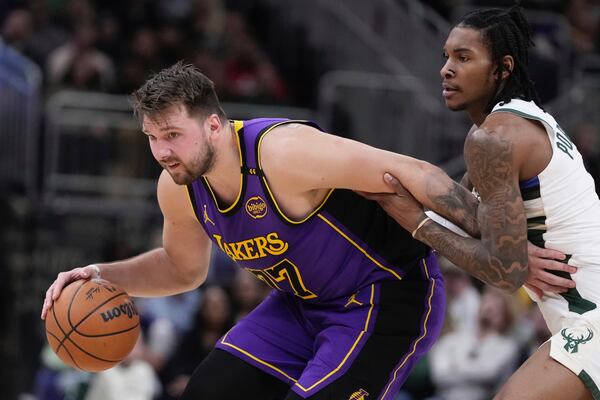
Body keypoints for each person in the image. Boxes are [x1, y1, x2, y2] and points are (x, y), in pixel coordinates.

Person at [41, 62, 563, 399]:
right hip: (302, 308)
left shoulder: (281, 153)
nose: (162, 152)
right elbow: (181, 268)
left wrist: (508, 247)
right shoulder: (176, 185)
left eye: (173, 135)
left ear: (216, 125)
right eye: (153, 138)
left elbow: (412, 172)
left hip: (385, 298)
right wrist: (98, 273)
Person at [370, 6, 600, 400]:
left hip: (591, 318)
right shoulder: (524, 119)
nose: (446, 68)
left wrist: (416, 222)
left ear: (502, 68)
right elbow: (475, 218)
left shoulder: (494, 140)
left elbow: (505, 274)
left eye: (463, 57)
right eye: (446, 56)